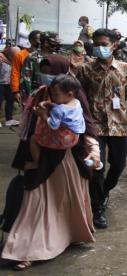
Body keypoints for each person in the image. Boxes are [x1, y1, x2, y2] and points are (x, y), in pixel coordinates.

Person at [2, 54, 100, 271]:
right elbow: (27, 129)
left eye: (53, 73)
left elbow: (87, 126)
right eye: (44, 72)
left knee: (67, 201)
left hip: (68, 159)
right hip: (42, 159)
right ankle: (25, 250)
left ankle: (71, 235)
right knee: (35, 204)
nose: (48, 77)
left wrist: (94, 150)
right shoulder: (39, 95)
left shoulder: (74, 95)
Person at [75, 28, 127, 229]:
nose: (99, 48)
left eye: (103, 44)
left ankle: (103, 192)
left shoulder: (125, 68)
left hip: (118, 127)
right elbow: (73, 92)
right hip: (94, 127)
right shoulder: (86, 69)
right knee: (97, 167)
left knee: (119, 165)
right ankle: (97, 209)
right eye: (96, 44)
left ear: (114, 45)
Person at [31, 74, 86, 158]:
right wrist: (51, 104)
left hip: (63, 140)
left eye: (56, 95)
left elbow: (53, 126)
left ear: (69, 94)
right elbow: (66, 111)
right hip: (75, 137)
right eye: (52, 94)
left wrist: (43, 115)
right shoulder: (76, 102)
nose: (53, 97)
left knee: (33, 139)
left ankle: (35, 162)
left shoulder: (59, 110)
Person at [10, 30, 41, 105]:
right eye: (38, 39)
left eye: (42, 39)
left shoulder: (44, 55)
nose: (40, 41)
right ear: (31, 40)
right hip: (26, 90)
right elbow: (15, 73)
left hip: (41, 90)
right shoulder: (20, 55)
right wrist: (15, 91)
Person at [0, 46, 20, 127]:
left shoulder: (13, 61)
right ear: (10, 54)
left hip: (9, 84)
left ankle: (9, 119)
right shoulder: (1, 58)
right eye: (14, 55)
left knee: (10, 100)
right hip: (0, 84)